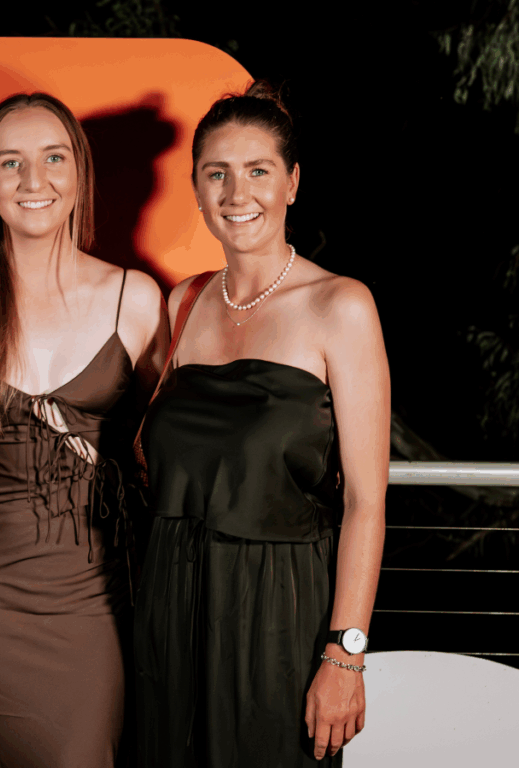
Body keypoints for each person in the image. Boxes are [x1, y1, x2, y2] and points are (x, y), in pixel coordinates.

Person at [133, 80, 389, 767]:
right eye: (216, 173)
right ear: (196, 188)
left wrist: (346, 654)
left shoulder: (341, 305)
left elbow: (367, 504)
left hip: (279, 612)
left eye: (258, 171)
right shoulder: (182, 303)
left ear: (292, 183)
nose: (236, 192)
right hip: (170, 606)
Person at [0, 93, 170, 767]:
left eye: (54, 158)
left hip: (91, 604)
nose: (34, 180)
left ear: (80, 173)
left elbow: (173, 447)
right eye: (11, 162)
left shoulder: (135, 300)